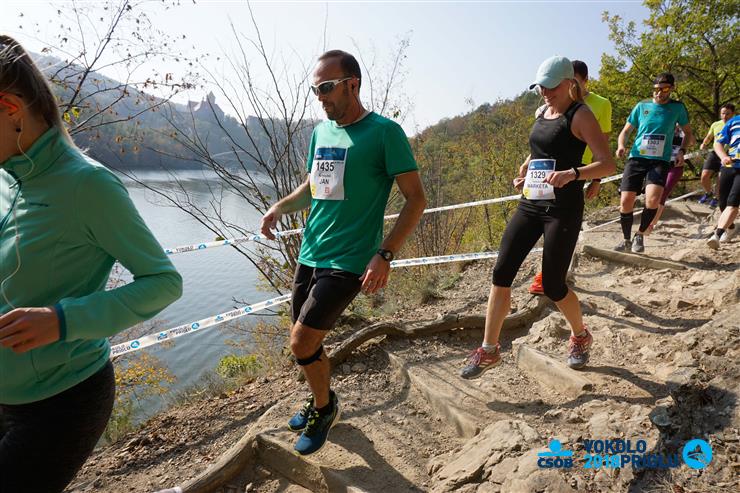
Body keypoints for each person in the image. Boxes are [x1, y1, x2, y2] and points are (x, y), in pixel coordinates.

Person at [0, 36, 182, 493]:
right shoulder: (6, 174)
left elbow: (163, 282)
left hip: (60, 403)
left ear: (10, 108)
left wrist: (63, 320)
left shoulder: (89, 185)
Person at [259, 50, 426, 456]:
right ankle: (322, 399)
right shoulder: (321, 132)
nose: (320, 97)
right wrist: (280, 206)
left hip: (350, 259)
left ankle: (324, 408)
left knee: (301, 342)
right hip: (311, 252)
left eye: (327, 88)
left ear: (353, 84)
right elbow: (314, 187)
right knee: (304, 342)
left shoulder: (385, 133)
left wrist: (385, 254)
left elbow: (416, 200)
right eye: (315, 90)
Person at [460, 56, 615, 377]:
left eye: (550, 87)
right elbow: (544, 149)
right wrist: (527, 169)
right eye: (540, 87)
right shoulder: (542, 112)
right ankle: (489, 350)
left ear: (569, 83)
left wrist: (573, 173)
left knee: (554, 286)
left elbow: (607, 163)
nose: (544, 92)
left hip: (563, 208)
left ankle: (580, 335)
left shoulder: (581, 115)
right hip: (532, 201)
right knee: (501, 272)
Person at [529, 59, 611, 295]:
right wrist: (528, 166)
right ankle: (547, 275)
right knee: (541, 220)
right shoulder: (548, 105)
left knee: (563, 222)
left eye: (576, 81)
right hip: (552, 168)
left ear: (583, 81)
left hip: (582, 167)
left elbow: (604, 143)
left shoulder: (600, 104)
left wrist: (596, 179)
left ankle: (554, 277)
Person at [614, 72, 694, 253]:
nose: (659, 93)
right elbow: (625, 131)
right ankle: (626, 240)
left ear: (671, 89)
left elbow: (688, 133)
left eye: (664, 89)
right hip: (637, 157)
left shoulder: (678, 108)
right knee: (626, 201)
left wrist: (682, 151)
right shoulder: (642, 106)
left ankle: (640, 235)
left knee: (653, 200)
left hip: (660, 160)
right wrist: (621, 145)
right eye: (656, 89)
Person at [645, 125, 688, 233]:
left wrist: (684, 131)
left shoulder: (684, 131)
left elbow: (691, 141)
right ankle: (648, 221)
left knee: (664, 191)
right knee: (654, 193)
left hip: (676, 166)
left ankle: (651, 224)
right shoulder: (664, 127)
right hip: (660, 163)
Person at [706, 112, 740, 248]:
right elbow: (718, 143)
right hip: (729, 166)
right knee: (722, 203)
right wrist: (723, 156)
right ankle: (731, 228)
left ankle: (717, 235)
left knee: (733, 202)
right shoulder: (734, 121)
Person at [699, 104, 735, 208]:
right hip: (715, 153)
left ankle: (716, 198)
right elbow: (709, 137)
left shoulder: (736, 125)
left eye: (728, 114)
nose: (725, 116)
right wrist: (704, 144)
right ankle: (708, 193)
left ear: (733, 114)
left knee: (720, 178)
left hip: (729, 155)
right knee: (704, 176)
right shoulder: (715, 124)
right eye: (723, 113)